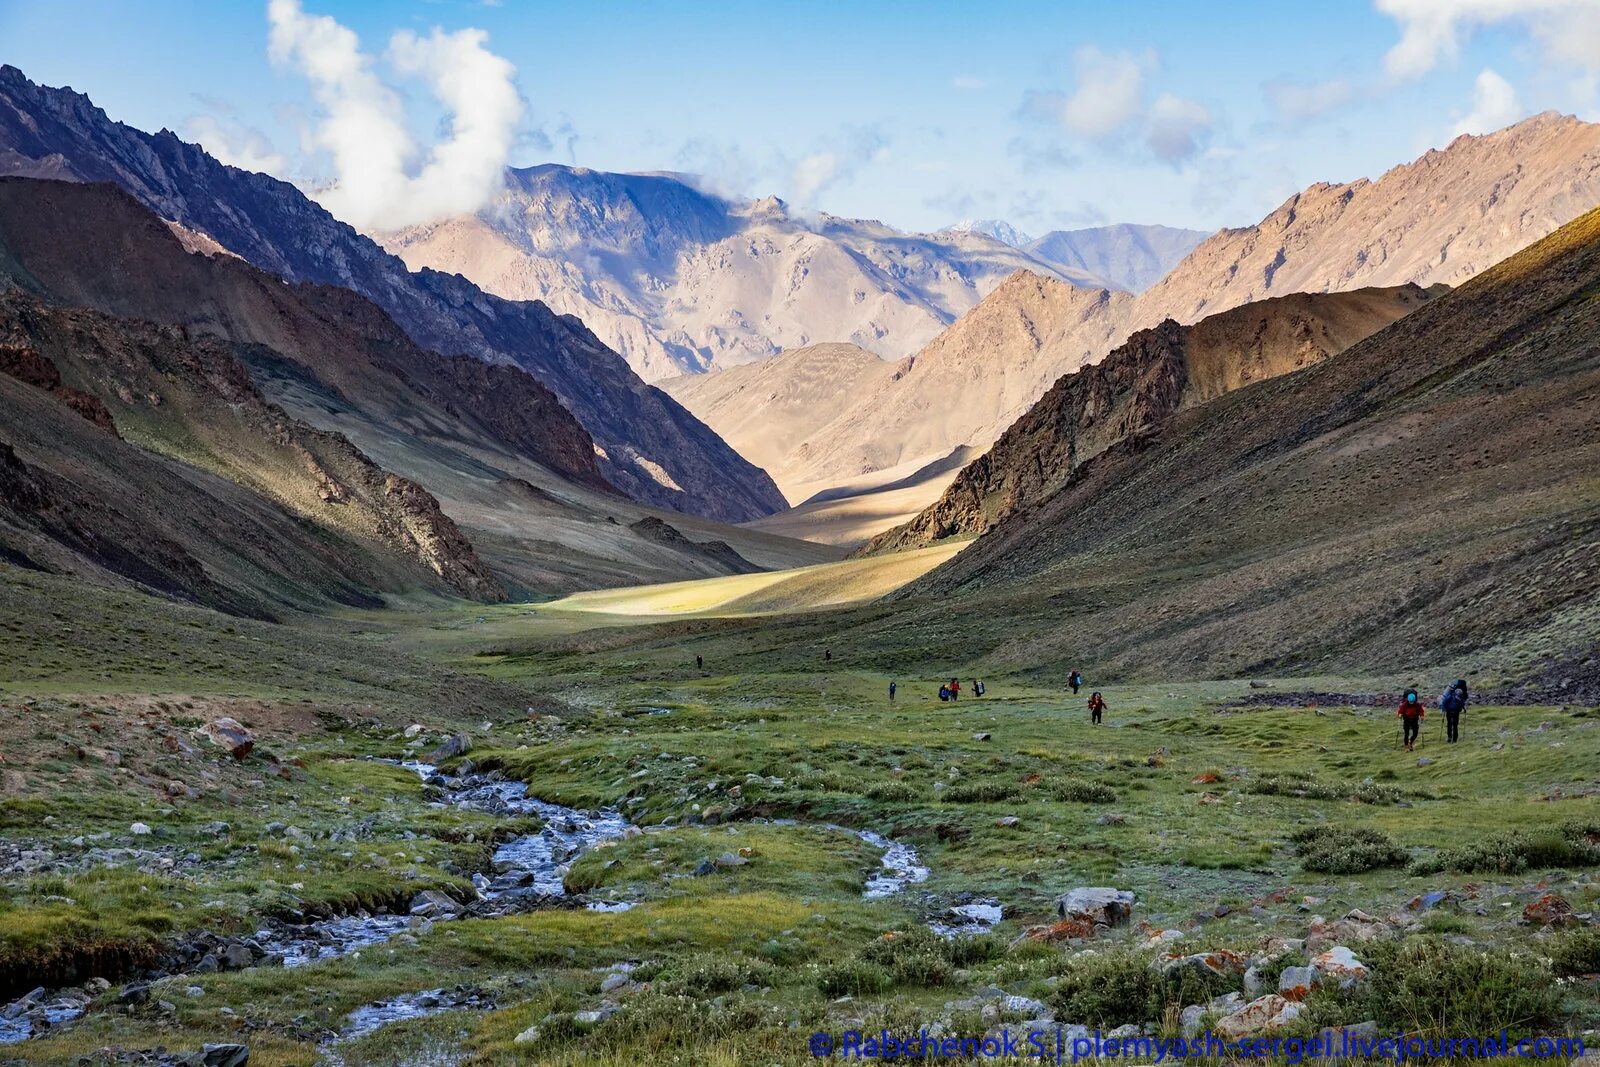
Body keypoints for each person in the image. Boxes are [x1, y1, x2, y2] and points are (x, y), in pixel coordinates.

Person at [1439, 679, 1468, 743]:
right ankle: (1453, 739)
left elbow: (1444, 702)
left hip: (1450, 711)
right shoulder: (1459, 698)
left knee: (1451, 725)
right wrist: (1464, 709)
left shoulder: (1451, 696)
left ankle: (1451, 738)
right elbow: (1462, 704)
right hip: (1454, 712)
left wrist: (1443, 709)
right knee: (1454, 725)